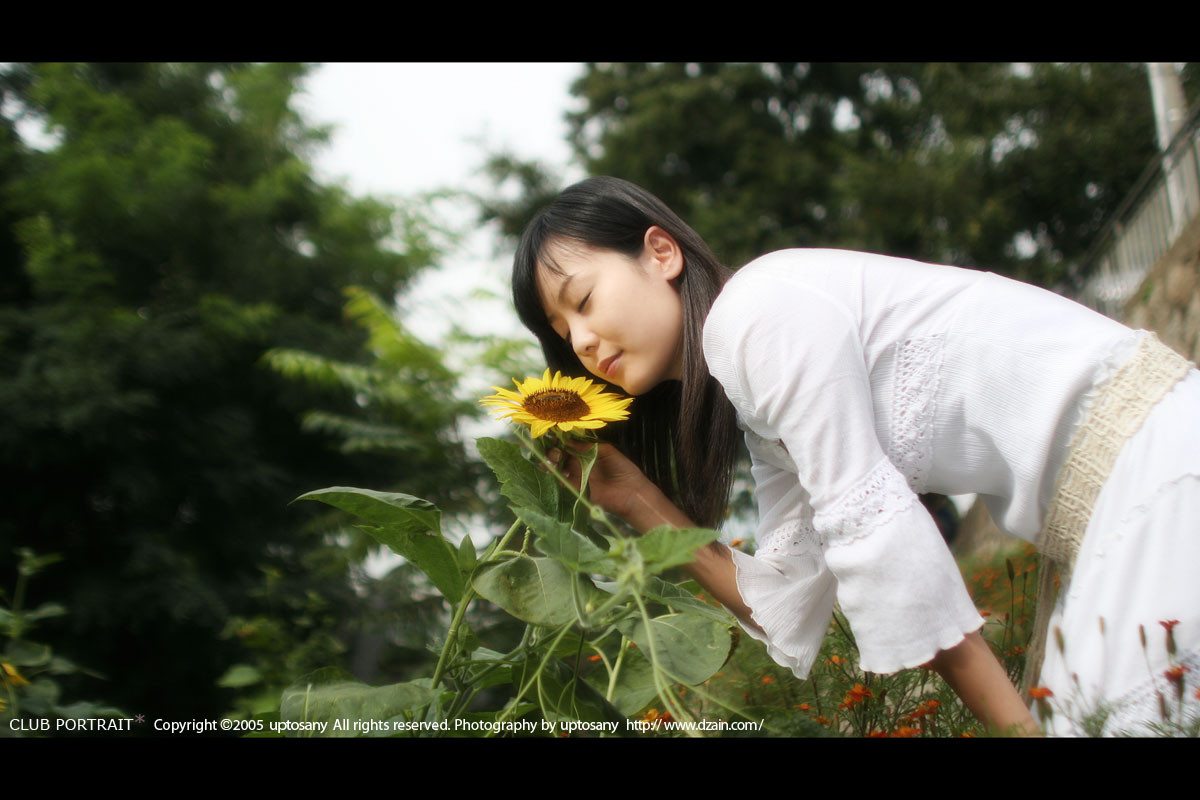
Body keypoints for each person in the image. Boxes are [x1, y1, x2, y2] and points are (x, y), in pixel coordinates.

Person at [512, 176, 1200, 736]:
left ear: (661, 253)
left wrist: (1017, 732)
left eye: (583, 300)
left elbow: (881, 539)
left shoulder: (755, 315)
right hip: (1128, 495)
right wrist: (636, 499)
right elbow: (784, 595)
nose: (581, 342)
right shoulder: (754, 385)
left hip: (1154, 467)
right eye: (562, 330)